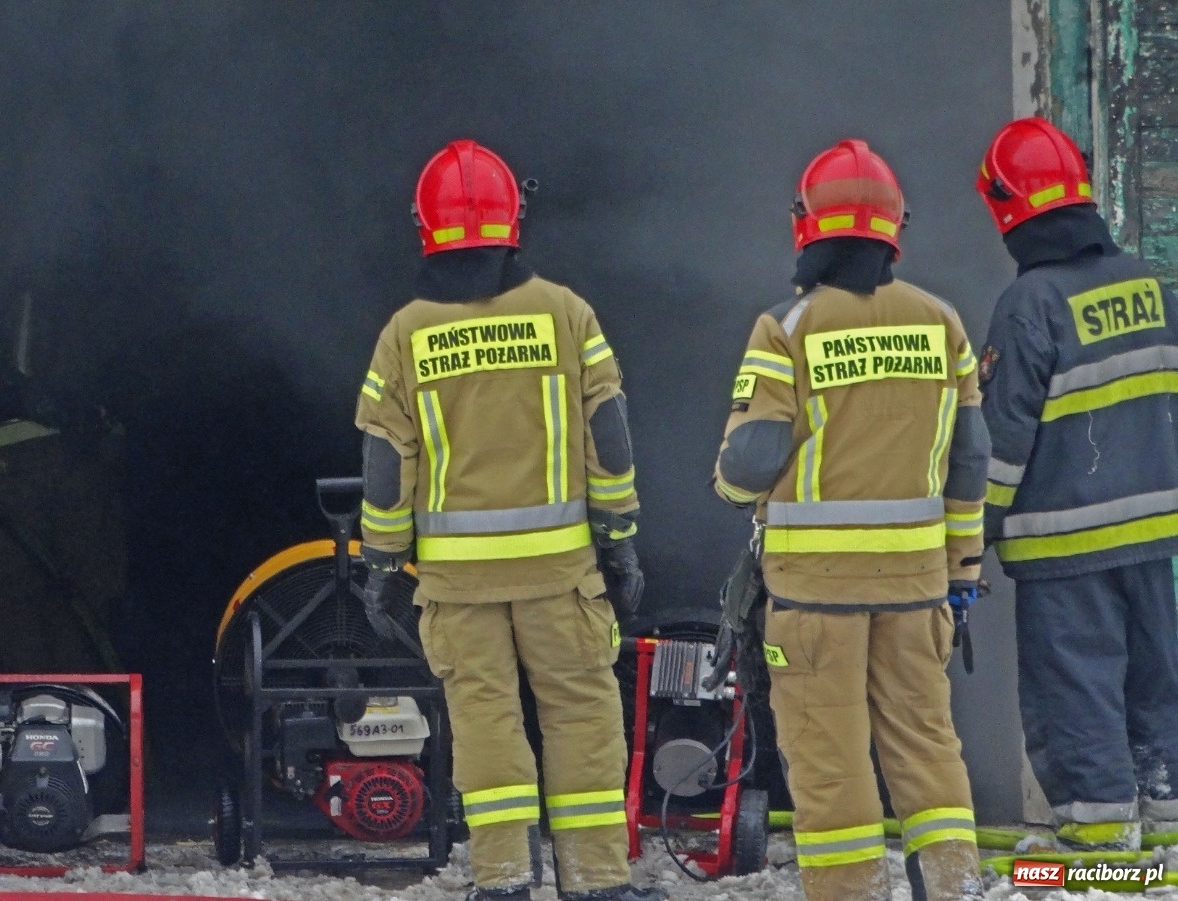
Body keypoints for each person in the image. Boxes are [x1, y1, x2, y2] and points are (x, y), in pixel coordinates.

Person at [355, 139, 662, 901]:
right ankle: (595, 883)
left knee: (486, 727)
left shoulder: (405, 333)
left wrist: (384, 562)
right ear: (513, 219)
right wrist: (619, 535)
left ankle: (502, 881)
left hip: (459, 585)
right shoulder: (566, 312)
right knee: (583, 716)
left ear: (425, 227)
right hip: (561, 576)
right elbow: (610, 435)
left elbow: (388, 465)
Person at [712, 139, 986, 900]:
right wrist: (963, 568)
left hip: (813, 597)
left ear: (807, 224)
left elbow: (749, 461)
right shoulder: (941, 323)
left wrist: (734, 490)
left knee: (830, 759)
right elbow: (969, 463)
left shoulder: (788, 327)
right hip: (918, 586)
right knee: (928, 747)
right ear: (897, 225)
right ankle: (955, 885)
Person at [974, 116, 1178, 850]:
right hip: (1153, 536)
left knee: (1078, 687)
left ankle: (1096, 846)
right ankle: (1166, 828)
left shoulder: (1030, 305)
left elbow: (999, 447)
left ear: (1008, 209)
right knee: (1155, 681)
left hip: (1066, 543)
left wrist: (966, 541)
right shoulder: (1151, 285)